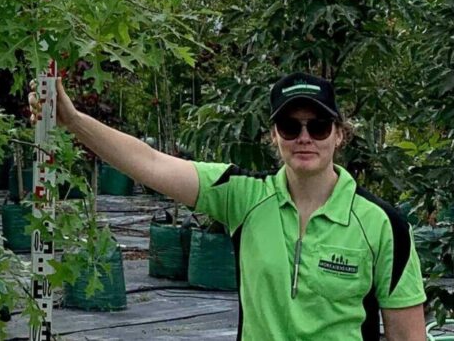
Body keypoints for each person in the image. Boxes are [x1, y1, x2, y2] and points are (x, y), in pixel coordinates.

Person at [29, 71, 427, 341]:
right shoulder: (243, 197)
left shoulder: (383, 225)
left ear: (339, 134)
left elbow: (408, 335)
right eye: (290, 127)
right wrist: (73, 120)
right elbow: (150, 163)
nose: (304, 138)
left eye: (318, 126)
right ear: (274, 136)